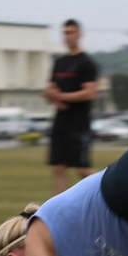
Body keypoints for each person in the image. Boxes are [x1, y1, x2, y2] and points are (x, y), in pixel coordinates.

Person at [45, 19, 99, 195]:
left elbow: (89, 93)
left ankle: (112, 189)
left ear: (79, 34)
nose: (67, 36)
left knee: (81, 169)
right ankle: (58, 212)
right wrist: (54, 98)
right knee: (59, 168)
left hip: (79, 123)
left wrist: (60, 96)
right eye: (65, 33)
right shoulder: (60, 62)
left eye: (71, 32)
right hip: (61, 121)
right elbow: (50, 88)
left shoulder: (86, 63)